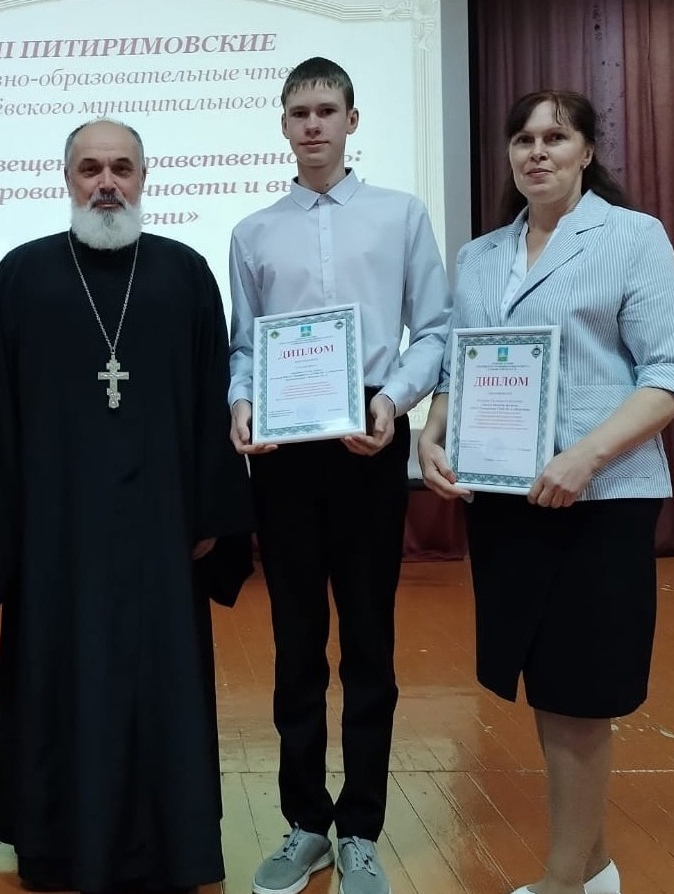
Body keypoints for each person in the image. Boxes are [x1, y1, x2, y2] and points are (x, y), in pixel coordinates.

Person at [0, 117, 254, 894]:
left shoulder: (185, 273)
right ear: (67, 179)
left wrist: (211, 515)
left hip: (162, 532)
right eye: (90, 168)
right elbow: (1, 412)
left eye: (122, 167)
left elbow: (213, 398)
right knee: (57, 676)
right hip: (55, 536)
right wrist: (7, 528)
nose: (107, 183)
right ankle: (56, 846)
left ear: (144, 177)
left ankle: (171, 843)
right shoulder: (23, 274)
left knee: (162, 683)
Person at [417, 90, 674, 894]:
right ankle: (596, 867)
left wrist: (586, 456)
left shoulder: (633, 237)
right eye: (523, 139)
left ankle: (563, 881)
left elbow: (673, 377)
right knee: (551, 688)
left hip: (600, 499)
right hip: (507, 501)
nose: (537, 152)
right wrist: (434, 433)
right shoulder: (480, 256)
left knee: (581, 694)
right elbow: (462, 364)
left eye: (556, 137)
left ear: (586, 151)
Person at [227, 57, 452, 894]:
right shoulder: (253, 232)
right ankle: (304, 824)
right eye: (300, 113)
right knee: (294, 643)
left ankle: (359, 828)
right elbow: (245, 344)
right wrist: (241, 402)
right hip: (286, 449)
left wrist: (393, 401)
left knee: (368, 641)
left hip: (369, 433)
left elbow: (435, 329)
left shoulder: (401, 215)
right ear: (283, 125)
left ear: (352, 120)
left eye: (327, 110)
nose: (313, 124)